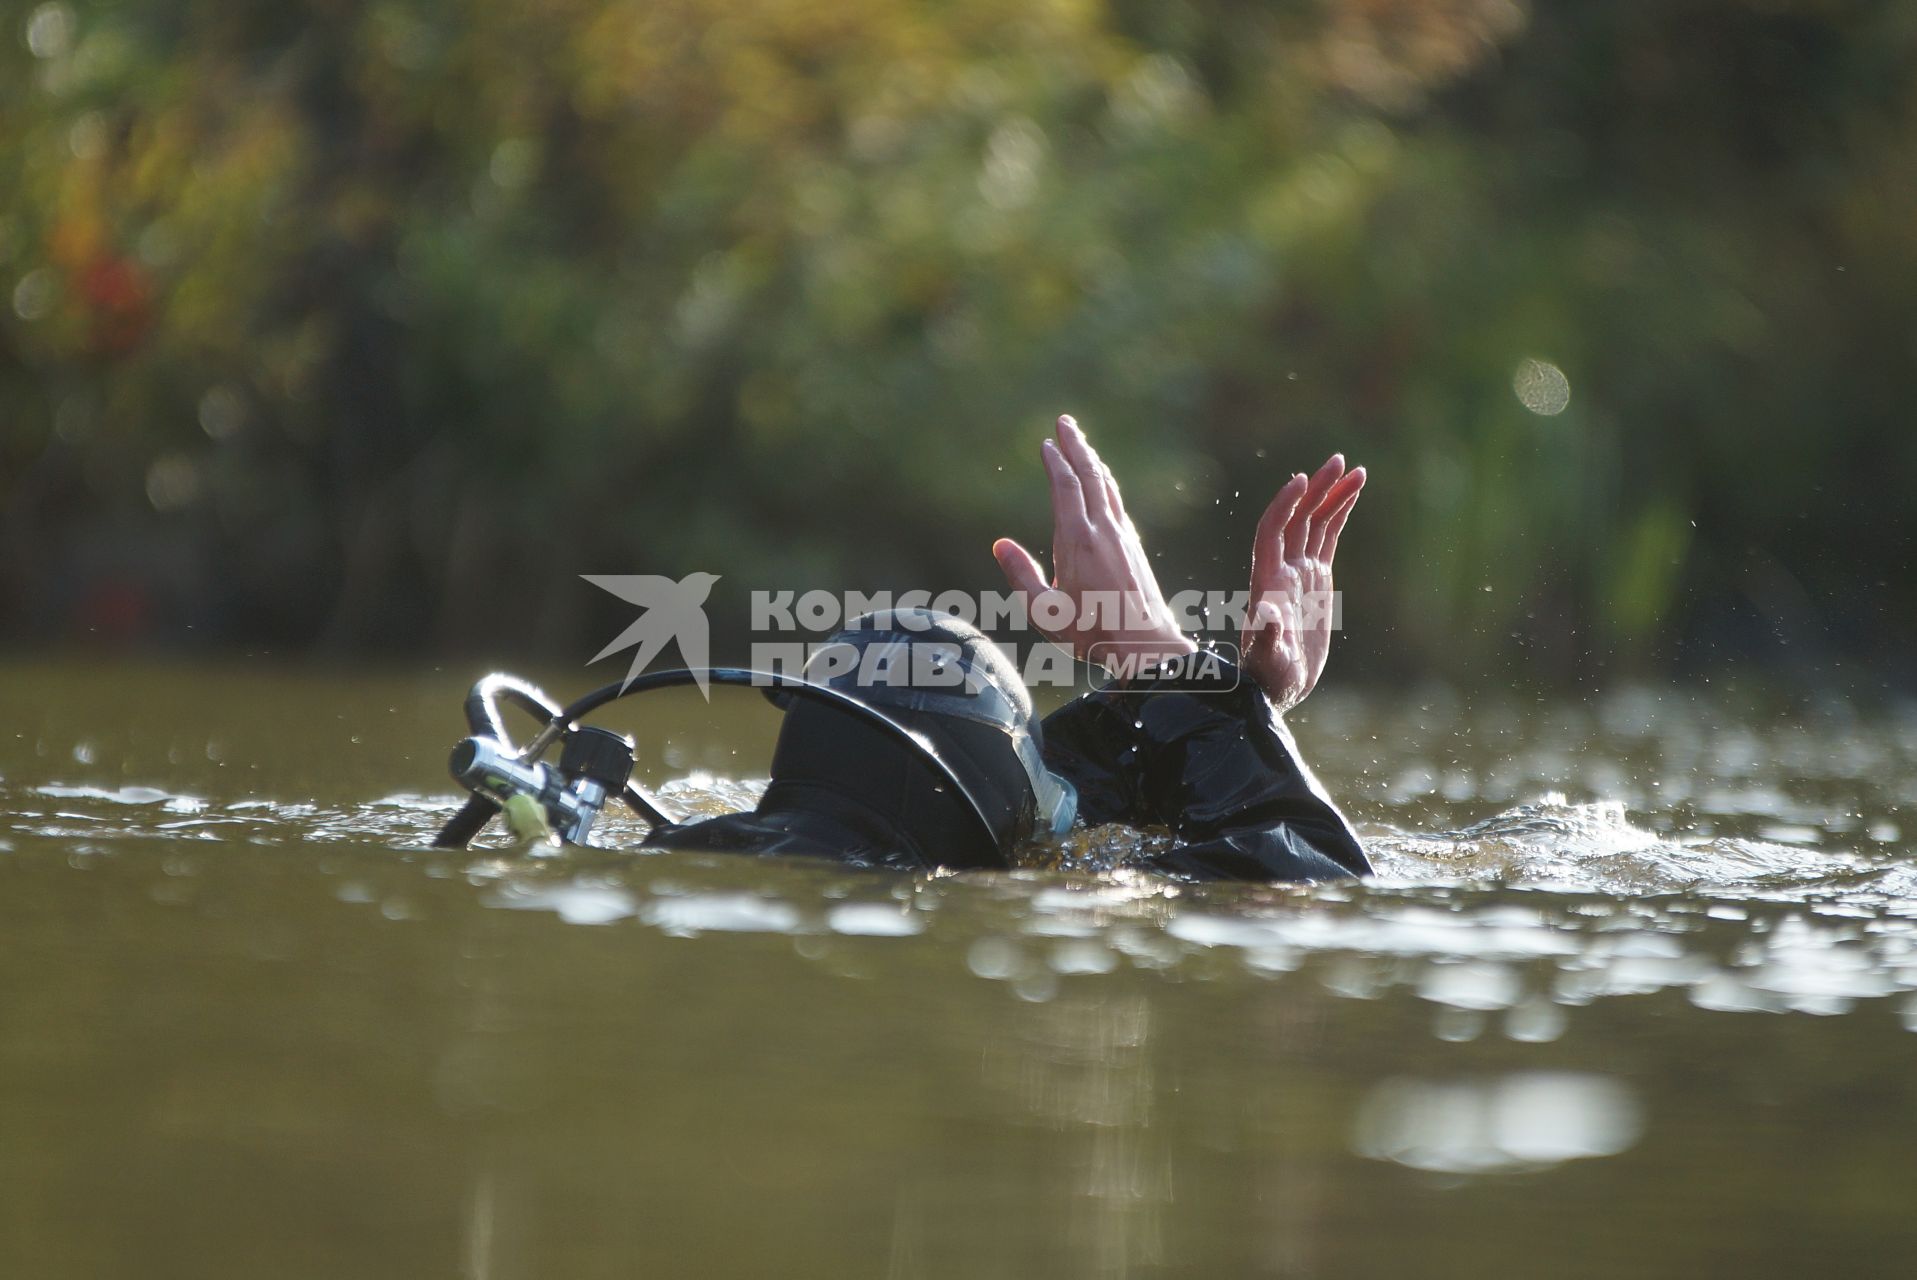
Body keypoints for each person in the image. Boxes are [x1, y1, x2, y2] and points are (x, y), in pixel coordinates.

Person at [643, 415, 1369, 882]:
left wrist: (1229, 695)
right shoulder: (950, 891)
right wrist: (1154, 656)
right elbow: (1317, 877)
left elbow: (1008, 788)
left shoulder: (697, 852)